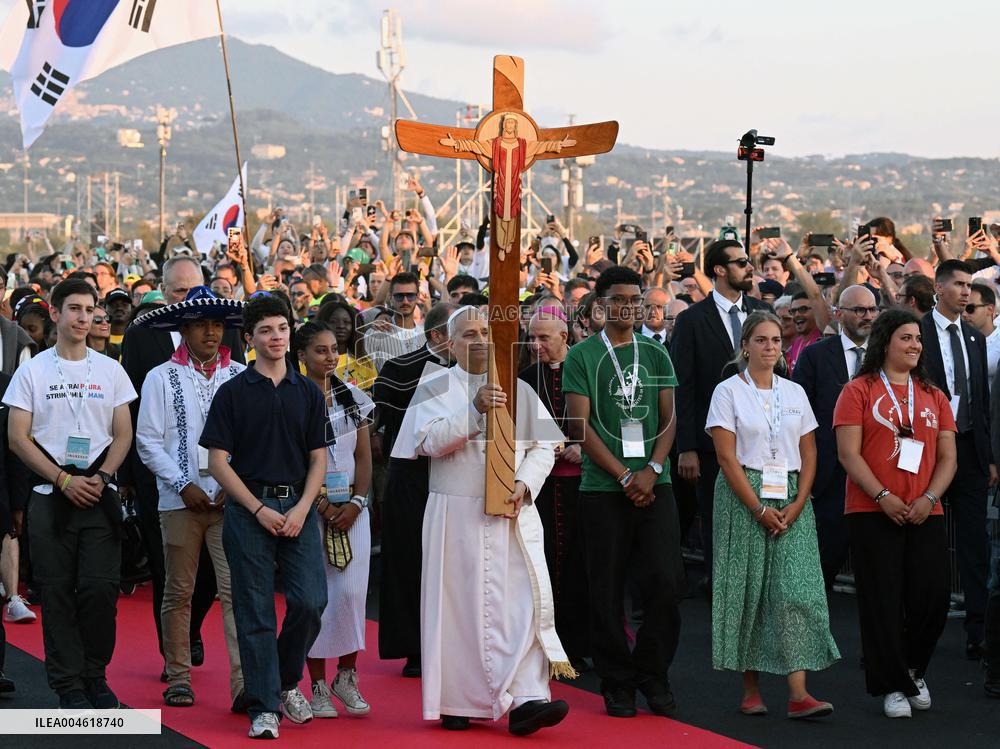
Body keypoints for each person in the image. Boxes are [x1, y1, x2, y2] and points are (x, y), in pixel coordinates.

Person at [391, 306, 571, 736]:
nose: (478, 340)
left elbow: (545, 448)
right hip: (456, 513)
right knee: (458, 607)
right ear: (449, 344)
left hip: (511, 512)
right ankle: (457, 699)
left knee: (522, 603)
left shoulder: (518, 388)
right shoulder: (435, 384)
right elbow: (426, 442)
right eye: (468, 334)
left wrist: (525, 485)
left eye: (485, 332)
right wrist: (472, 412)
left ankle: (528, 698)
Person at [4, 278, 137, 710]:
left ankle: (95, 675)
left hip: (99, 494)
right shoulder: (33, 370)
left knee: (100, 590)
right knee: (57, 593)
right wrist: (62, 480)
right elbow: (17, 437)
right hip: (49, 495)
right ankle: (68, 685)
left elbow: (123, 433)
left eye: (89, 310)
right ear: (56, 314)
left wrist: (102, 476)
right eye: (74, 309)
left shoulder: (111, 369)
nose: (84, 318)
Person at [200, 294, 329, 739]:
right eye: (267, 330)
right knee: (254, 610)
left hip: (298, 507)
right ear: (250, 338)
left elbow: (319, 459)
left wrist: (301, 508)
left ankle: (285, 680)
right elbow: (218, 461)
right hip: (246, 510)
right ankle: (264, 706)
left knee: (312, 602)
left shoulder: (308, 391)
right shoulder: (233, 392)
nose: (276, 337)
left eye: (282, 328)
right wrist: (256, 509)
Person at [564, 266, 684, 719]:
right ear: (601, 304)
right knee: (606, 589)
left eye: (636, 298)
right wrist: (623, 476)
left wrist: (651, 470)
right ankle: (617, 681)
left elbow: (669, 418)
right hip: (603, 489)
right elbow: (580, 427)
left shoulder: (655, 353)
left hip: (656, 485)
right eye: (619, 298)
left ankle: (653, 672)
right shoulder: (582, 356)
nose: (630, 306)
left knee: (666, 582)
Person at [120, 255, 246, 677]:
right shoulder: (157, 374)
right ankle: (176, 673)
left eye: (217, 324)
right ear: (183, 327)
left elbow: (250, 439)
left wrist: (234, 484)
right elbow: (146, 438)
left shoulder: (241, 376)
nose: (211, 331)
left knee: (231, 591)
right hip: (176, 498)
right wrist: (179, 483)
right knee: (175, 589)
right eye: (200, 323)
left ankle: (245, 683)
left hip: (231, 501)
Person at [708, 311, 838, 719]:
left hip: (792, 495)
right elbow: (726, 458)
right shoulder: (727, 391)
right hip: (743, 493)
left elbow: (811, 451)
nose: (770, 347)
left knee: (795, 592)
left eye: (776, 340)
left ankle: (799, 693)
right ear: (745, 345)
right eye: (761, 340)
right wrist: (757, 507)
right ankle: (751, 688)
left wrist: (799, 502)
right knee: (750, 592)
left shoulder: (795, 392)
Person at [834, 309, 957, 718]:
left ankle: (912, 670)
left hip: (926, 510)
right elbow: (848, 454)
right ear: (886, 342)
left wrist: (929, 498)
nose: (915, 345)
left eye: (918, 339)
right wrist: (883, 494)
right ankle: (892, 685)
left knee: (933, 597)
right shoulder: (858, 390)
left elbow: (948, 458)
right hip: (872, 510)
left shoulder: (934, 395)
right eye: (906, 337)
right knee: (882, 601)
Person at [670, 239, 771, 581]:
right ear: (719, 270)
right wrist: (687, 447)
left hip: (763, 444)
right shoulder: (691, 320)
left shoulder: (763, 313)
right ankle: (723, 605)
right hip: (713, 446)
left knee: (764, 520)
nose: (750, 267)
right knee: (720, 526)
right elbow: (682, 387)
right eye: (741, 262)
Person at [294, 323, 375, 719]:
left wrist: (358, 501)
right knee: (317, 598)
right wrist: (322, 505)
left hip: (353, 512)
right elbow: (293, 459)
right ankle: (318, 684)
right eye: (320, 351)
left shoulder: (353, 397)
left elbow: (364, 456)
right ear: (302, 356)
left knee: (353, 595)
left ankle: (347, 675)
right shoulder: (291, 398)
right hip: (311, 510)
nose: (329, 357)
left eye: (334, 350)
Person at [375, 302, 455, 677]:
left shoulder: (477, 369)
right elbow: (383, 426)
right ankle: (415, 648)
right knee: (411, 563)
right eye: (465, 332)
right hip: (411, 479)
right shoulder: (400, 368)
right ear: (438, 335)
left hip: (457, 480)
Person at [920, 259, 994, 659]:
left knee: (974, 543)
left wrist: (989, 456)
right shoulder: (915, 333)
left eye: (970, 286)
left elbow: (980, 401)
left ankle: (978, 630)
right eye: (960, 284)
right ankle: (910, 626)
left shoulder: (974, 338)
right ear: (939, 287)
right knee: (923, 540)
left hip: (968, 449)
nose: (967, 292)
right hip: (927, 450)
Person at [793, 285, 879, 589]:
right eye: (859, 310)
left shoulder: (886, 356)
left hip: (878, 473)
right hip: (829, 476)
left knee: (875, 566)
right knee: (825, 559)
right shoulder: (816, 356)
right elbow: (797, 417)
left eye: (872, 309)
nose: (867, 316)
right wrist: (805, 474)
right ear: (839, 314)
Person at [520, 307, 588, 668]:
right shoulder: (527, 378)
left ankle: (577, 643)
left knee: (579, 562)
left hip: (584, 484)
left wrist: (584, 447)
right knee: (543, 561)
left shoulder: (586, 367)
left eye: (543, 338)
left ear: (564, 336)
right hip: (541, 486)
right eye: (532, 337)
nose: (536, 345)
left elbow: (606, 420)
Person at [363, 272, 426, 372]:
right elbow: (365, 376)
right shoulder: (374, 334)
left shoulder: (425, 337)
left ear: (417, 297)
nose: (405, 301)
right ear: (390, 297)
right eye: (399, 296)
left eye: (410, 296)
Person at [964, 282, 1000, 384]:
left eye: (970, 309)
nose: (964, 314)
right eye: (962, 307)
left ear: (990, 309)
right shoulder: (956, 337)